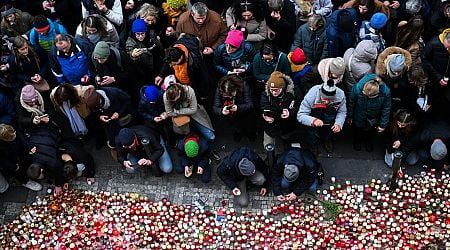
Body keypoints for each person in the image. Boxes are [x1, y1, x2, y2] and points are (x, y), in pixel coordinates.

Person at [156, 34, 212, 101]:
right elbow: (167, 62)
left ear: (180, 59)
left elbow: (203, 76)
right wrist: (161, 75)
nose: (170, 66)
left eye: (173, 64)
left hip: (192, 84)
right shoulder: (173, 49)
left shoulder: (194, 61)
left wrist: (203, 94)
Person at [297, 79, 347, 154]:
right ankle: (313, 144)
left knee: (330, 128)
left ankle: (327, 139)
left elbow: (342, 112)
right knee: (311, 132)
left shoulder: (341, 95)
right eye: (324, 99)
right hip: (314, 116)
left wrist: (338, 124)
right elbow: (301, 115)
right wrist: (313, 121)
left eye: (330, 100)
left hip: (329, 116)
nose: (326, 102)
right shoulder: (311, 95)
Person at [82, 86, 132, 159]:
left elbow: (128, 100)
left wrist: (119, 113)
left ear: (100, 97)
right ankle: (116, 150)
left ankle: (128, 150)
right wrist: (100, 116)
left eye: (99, 104)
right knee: (111, 138)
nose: (98, 106)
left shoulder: (114, 93)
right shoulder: (91, 102)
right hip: (107, 122)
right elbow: (94, 112)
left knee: (124, 134)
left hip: (120, 119)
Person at [348, 74, 391, 152]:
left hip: (373, 116)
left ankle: (368, 141)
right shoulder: (357, 88)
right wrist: (349, 116)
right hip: (359, 114)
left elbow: (386, 108)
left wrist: (382, 124)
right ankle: (357, 140)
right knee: (358, 128)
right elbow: (351, 102)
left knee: (369, 130)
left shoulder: (385, 92)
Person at [261, 71, 301, 149]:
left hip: (288, 124)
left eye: (276, 90)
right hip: (272, 125)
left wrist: (290, 113)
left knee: (287, 138)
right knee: (268, 144)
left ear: (282, 88)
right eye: (271, 90)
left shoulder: (294, 91)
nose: (274, 93)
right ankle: (270, 156)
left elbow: (300, 105)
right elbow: (264, 106)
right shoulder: (266, 93)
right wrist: (265, 115)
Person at [213, 75, 256, 142]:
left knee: (249, 126)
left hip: (245, 114)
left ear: (236, 88)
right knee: (236, 127)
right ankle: (238, 132)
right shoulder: (220, 89)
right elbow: (215, 107)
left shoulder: (244, 86)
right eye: (227, 96)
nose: (230, 97)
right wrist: (221, 111)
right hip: (231, 117)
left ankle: (250, 132)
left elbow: (250, 105)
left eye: (231, 95)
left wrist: (238, 107)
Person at [0, 123, 42, 192]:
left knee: (26, 162)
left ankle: (33, 173)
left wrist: (28, 147)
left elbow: (21, 137)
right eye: (12, 138)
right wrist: (13, 166)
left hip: (20, 152)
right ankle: (25, 181)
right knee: (19, 172)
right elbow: (2, 160)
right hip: (12, 160)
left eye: (14, 133)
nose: (15, 136)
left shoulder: (11, 128)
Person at [422, 28, 450, 120]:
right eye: (447, 47)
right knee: (433, 93)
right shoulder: (433, 43)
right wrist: (438, 77)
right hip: (435, 77)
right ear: (445, 39)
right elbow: (424, 59)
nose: (448, 49)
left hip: (446, 78)